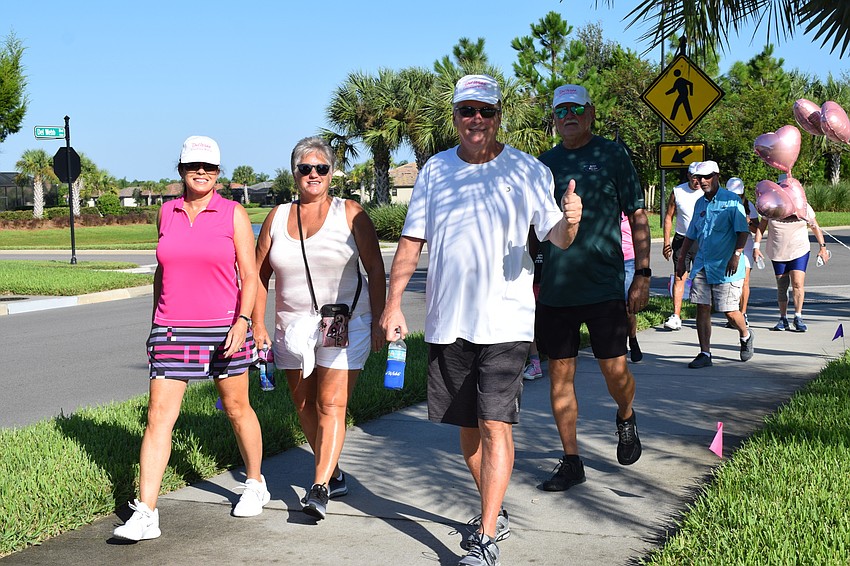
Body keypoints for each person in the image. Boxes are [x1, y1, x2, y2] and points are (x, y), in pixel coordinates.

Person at [379, 74, 582, 566]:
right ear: (454, 115)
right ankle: (495, 507)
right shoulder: (434, 170)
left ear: (497, 118)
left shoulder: (529, 171)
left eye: (485, 111)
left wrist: (571, 219)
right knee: (466, 427)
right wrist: (392, 304)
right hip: (449, 320)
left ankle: (486, 535)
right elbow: (412, 241)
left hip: (507, 321)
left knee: (494, 424)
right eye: (467, 110)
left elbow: (555, 236)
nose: (476, 119)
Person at [113, 136, 268, 541]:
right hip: (171, 329)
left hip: (224, 328)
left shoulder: (232, 213)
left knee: (237, 409)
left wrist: (243, 321)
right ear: (180, 169)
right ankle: (146, 512)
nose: (202, 172)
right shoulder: (166, 212)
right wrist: (153, 326)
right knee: (157, 420)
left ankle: (254, 482)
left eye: (210, 167)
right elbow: (162, 275)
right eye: (193, 165)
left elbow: (250, 275)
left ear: (219, 173)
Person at [252, 136, 385, 521]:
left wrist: (379, 318)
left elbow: (376, 269)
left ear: (331, 173)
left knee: (331, 404)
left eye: (321, 168)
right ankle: (335, 471)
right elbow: (259, 274)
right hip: (292, 326)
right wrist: (257, 322)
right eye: (305, 168)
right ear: (294, 173)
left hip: (344, 322)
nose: (313, 174)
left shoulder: (351, 213)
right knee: (304, 404)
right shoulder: (276, 217)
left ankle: (320, 485)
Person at [536, 84, 649, 494]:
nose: (569, 115)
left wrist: (643, 273)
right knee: (559, 377)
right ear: (554, 117)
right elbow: (534, 229)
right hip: (556, 290)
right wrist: (533, 277)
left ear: (591, 112)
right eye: (561, 109)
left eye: (576, 108)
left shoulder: (611, 154)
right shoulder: (543, 165)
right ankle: (571, 460)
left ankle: (625, 414)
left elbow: (637, 213)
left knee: (614, 372)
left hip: (603, 286)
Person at [675, 161, 754, 369]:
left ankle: (745, 334)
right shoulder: (700, 203)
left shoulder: (731, 201)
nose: (702, 181)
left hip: (726, 266)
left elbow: (743, 232)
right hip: (703, 265)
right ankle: (705, 353)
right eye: (700, 177)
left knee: (729, 311)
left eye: (707, 177)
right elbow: (690, 234)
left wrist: (736, 255)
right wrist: (681, 260)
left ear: (717, 176)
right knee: (702, 308)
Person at [753, 197, 829, 333]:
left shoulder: (803, 206)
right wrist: (756, 247)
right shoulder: (770, 206)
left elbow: (814, 226)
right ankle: (783, 318)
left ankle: (798, 317)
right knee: (782, 286)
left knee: (797, 283)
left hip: (799, 249)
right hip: (778, 251)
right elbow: (761, 227)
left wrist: (822, 247)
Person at [662, 161, 702, 330]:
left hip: (702, 240)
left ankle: (703, 315)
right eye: (694, 177)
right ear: (688, 176)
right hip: (682, 239)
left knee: (702, 280)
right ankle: (676, 316)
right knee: (680, 277)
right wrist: (666, 242)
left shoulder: (708, 193)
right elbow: (669, 217)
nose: (697, 181)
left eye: (700, 178)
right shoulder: (678, 191)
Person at [725, 177, 759, 327]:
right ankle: (733, 314)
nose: (735, 197)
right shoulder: (723, 204)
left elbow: (758, 229)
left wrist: (749, 222)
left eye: (738, 194)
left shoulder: (748, 205)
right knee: (731, 281)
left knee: (744, 280)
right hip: (728, 245)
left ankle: (743, 313)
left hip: (745, 245)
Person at [621, 213, 642, 362]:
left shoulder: (632, 212)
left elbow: (641, 239)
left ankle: (632, 340)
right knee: (611, 306)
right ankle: (619, 343)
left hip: (629, 260)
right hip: (608, 261)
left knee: (627, 306)